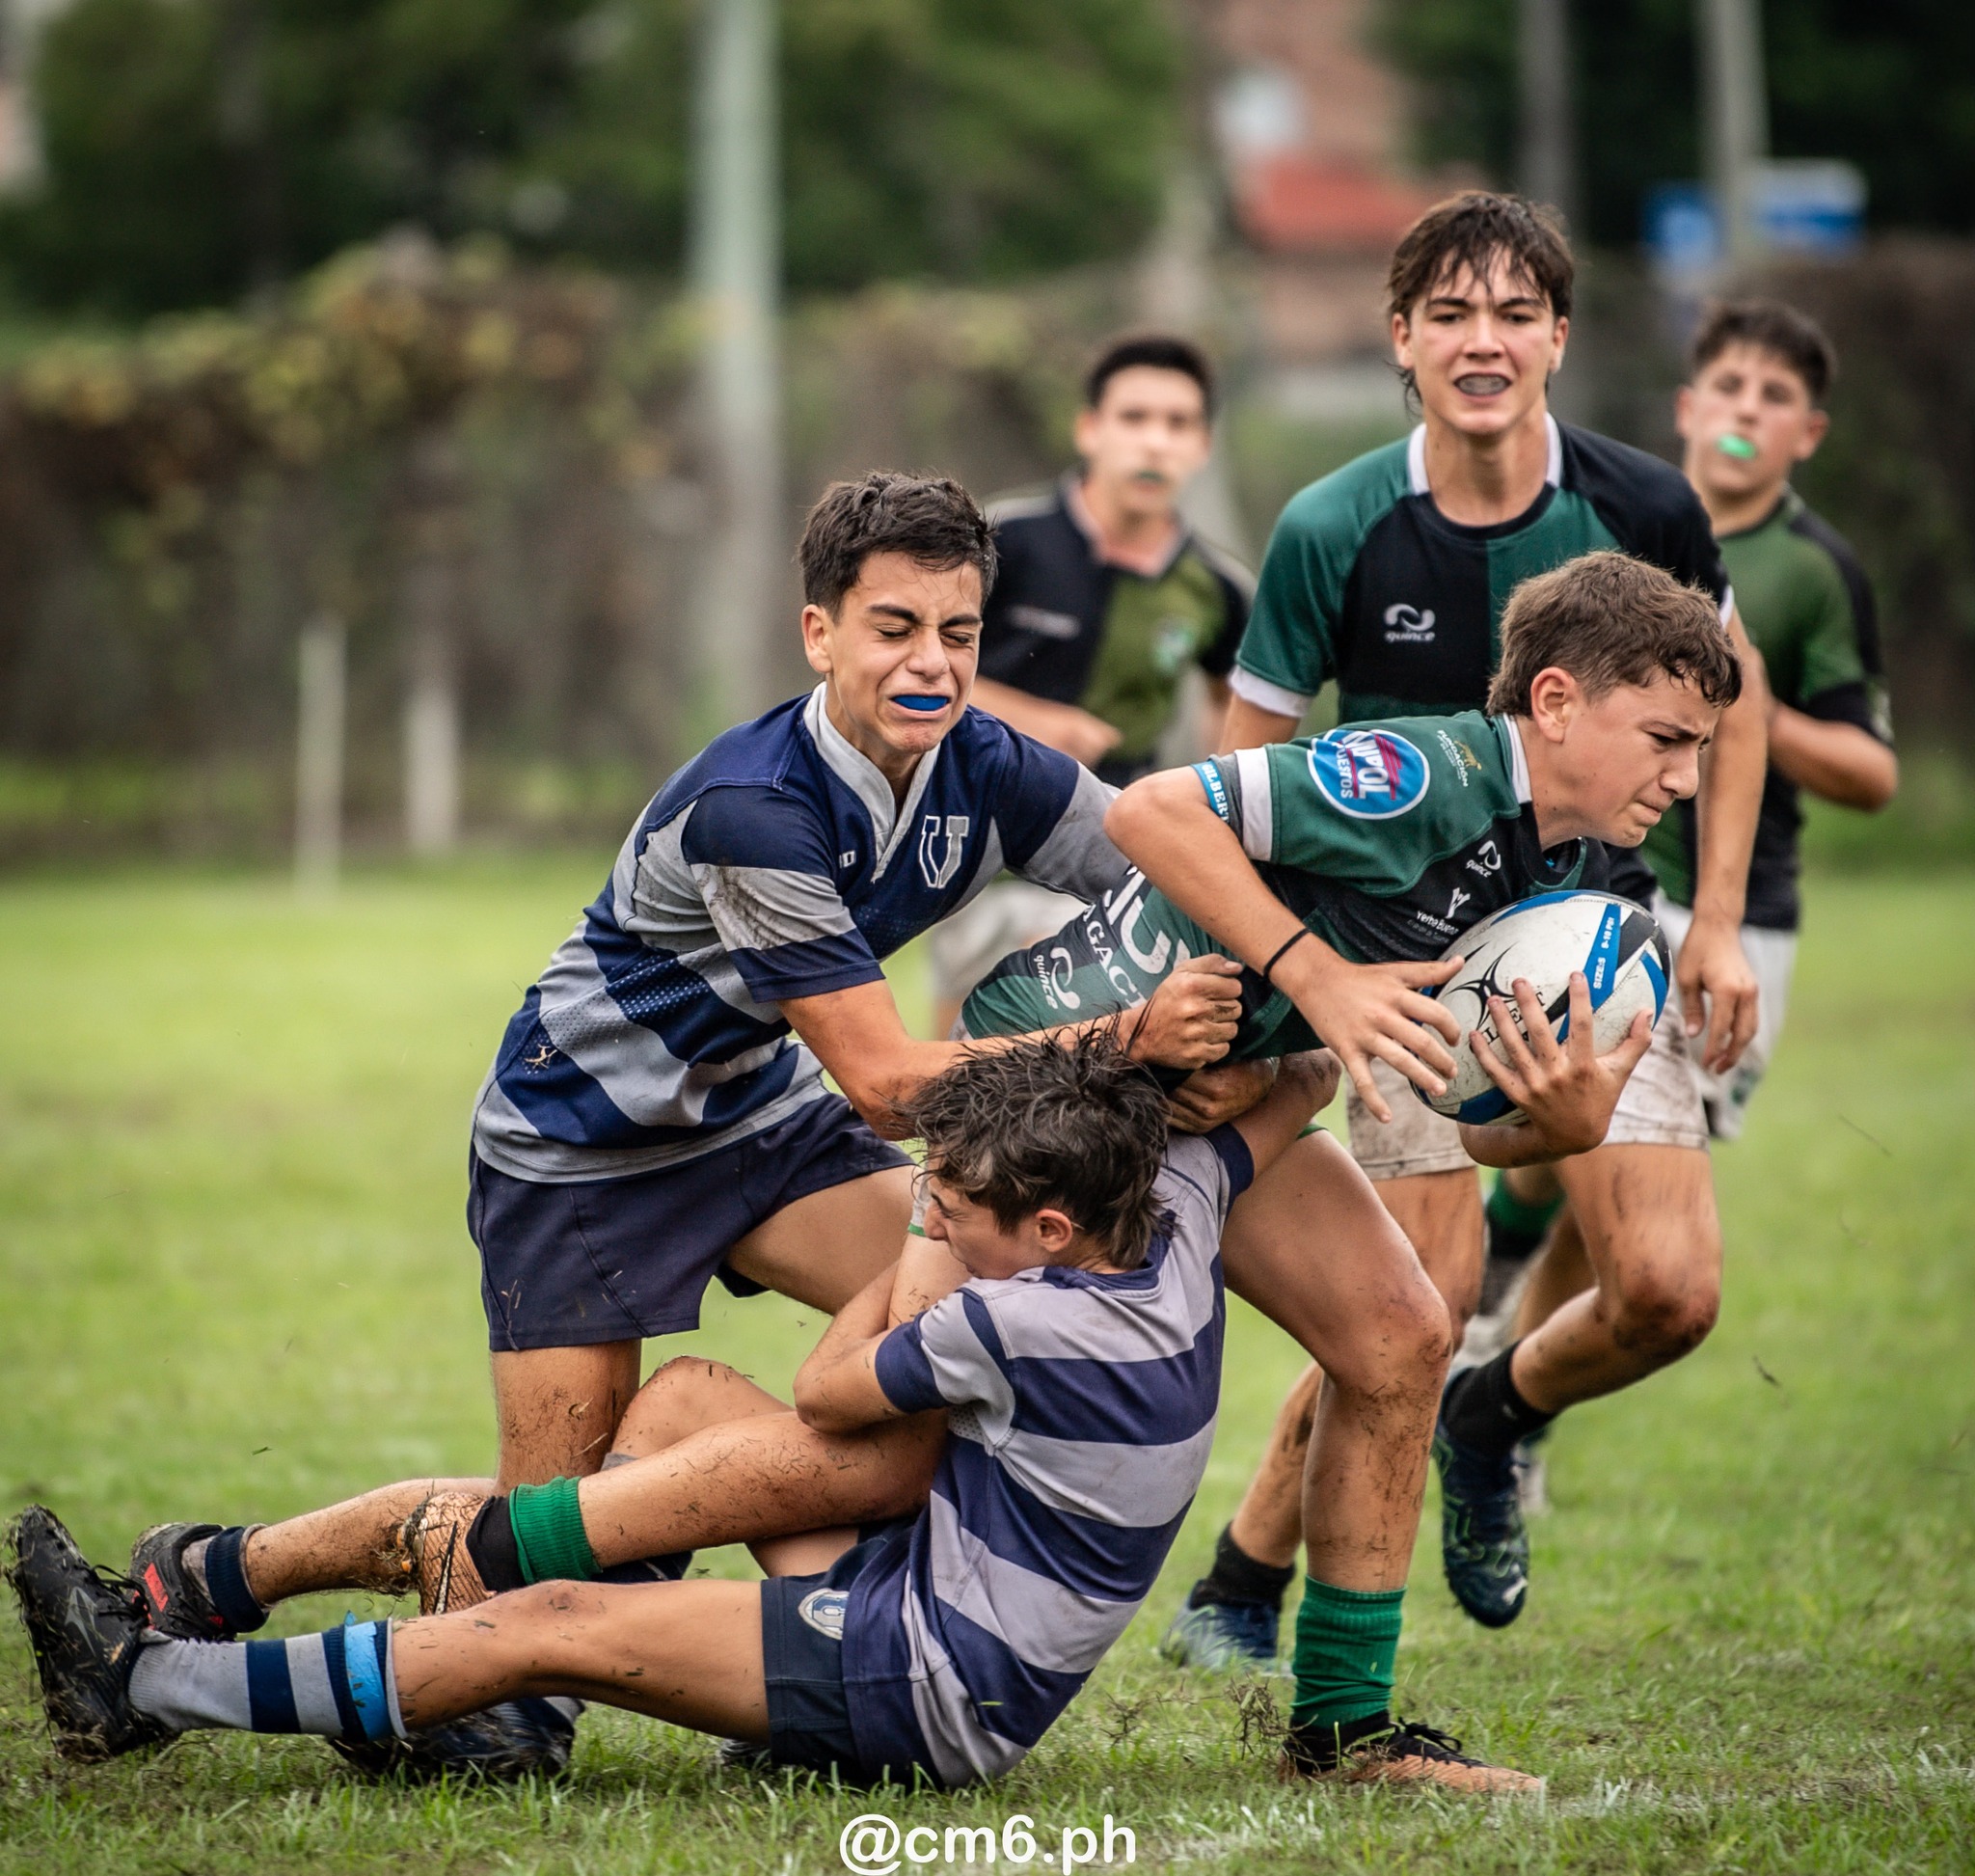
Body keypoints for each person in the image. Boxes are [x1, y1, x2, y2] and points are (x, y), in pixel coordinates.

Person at [12, 1037, 1360, 1793]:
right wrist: (1292, 1061)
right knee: (689, 1398)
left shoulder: (1025, 1324)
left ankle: (145, 1683)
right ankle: (479, 1682)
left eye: (955, 1208)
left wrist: (915, 1232)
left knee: (545, 1617)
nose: (937, 1218)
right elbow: (1294, 1090)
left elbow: (830, 1389)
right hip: (915, 1585)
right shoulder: (1171, 1218)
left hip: (930, 1681)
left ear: (1051, 1229)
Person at [960, 548, 1741, 1775]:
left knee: (1402, 1333)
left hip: (1202, 1103)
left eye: (1697, 749)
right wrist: (1311, 976)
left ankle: (1339, 1725)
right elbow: (1148, 811)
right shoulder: (1423, 776)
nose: (1685, 778)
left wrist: (1562, 1126)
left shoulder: (1556, 867)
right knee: (950, 1400)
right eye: (1664, 739)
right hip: (1041, 1086)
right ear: (1553, 702)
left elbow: (1466, 1123)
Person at [1150, 189, 1772, 1662]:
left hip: (1598, 938)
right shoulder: (1331, 525)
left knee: (1669, 1294)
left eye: (1513, 312)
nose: (1482, 341)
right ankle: (1243, 1588)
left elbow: (1727, 713)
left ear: (1559, 335)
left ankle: (1494, 1417)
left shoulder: (1647, 509)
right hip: (1410, 960)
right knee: (1412, 1304)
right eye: (1449, 314)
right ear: (1400, 341)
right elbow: (1238, 773)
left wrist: (1718, 921)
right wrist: (1282, 987)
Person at [1482, 300, 1897, 1499]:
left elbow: (1870, 772)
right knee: (1578, 1126)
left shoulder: (1811, 571)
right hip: (1599, 883)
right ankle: (1497, 1301)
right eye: (1726, 388)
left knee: (1614, 1190)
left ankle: (1509, 1388)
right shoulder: (1626, 522)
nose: (1742, 414)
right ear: (1685, 407)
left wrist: (1722, 709)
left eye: (1772, 399)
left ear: (1806, 433)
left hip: (1739, 906)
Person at [931, 334, 1252, 1036]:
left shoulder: (1217, 588)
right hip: (973, 854)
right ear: (1089, 429)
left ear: (1202, 445)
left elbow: (1238, 709)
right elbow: (911, 666)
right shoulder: (1000, 541)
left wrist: (1214, 802)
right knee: (962, 1064)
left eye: (1177, 423)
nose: (1155, 442)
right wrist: (1034, 722)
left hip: (1115, 863)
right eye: (1134, 418)